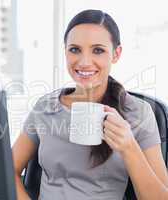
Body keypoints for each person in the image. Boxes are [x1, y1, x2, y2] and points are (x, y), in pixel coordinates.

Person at [12, 9, 168, 200]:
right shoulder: (45, 107)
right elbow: (9, 170)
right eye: (75, 49)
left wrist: (129, 147)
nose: (84, 62)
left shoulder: (139, 113)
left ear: (116, 54)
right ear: (65, 52)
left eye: (98, 50)